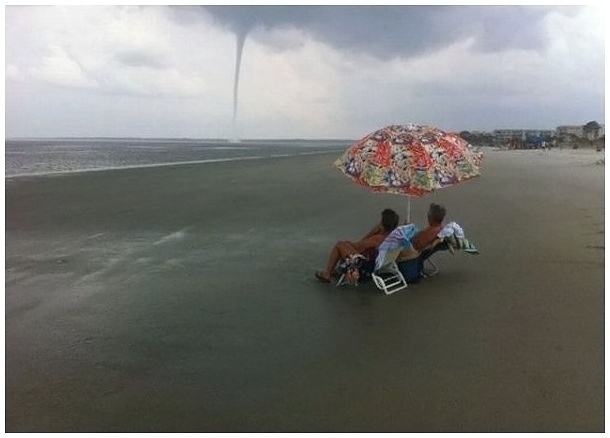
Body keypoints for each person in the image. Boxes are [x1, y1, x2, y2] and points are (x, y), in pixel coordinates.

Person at [315, 208, 399, 283]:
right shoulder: (395, 238)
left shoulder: (377, 238)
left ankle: (327, 273)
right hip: (378, 265)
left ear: (382, 225)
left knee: (340, 244)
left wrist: (372, 232)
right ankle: (336, 270)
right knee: (345, 244)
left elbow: (358, 245)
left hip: (364, 268)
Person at [396, 203, 447, 282]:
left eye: (428, 214)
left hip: (410, 255)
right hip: (416, 251)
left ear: (431, 217)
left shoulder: (430, 232)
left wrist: (404, 231)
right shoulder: (439, 228)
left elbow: (416, 245)